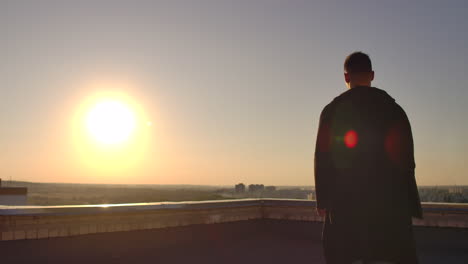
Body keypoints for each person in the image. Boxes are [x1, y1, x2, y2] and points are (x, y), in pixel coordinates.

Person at [314, 52, 423, 264]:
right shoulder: (394, 109)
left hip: (346, 202)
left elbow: (323, 157)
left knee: (342, 253)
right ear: (372, 75)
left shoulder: (332, 110)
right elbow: (407, 160)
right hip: (390, 203)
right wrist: (408, 203)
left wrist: (323, 200)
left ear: (346, 77)